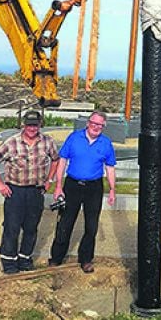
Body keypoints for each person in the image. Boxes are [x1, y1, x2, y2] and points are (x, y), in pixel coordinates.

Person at [0, 110, 59, 274]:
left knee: (31, 227)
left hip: (36, 191)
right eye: (29, 125)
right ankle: (9, 262)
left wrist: (49, 179)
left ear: (40, 125)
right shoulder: (12, 142)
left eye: (35, 125)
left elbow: (55, 159)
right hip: (15, 191)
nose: (32, 128)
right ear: (24, 125)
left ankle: (25, 259)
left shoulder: (47, 141)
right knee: (12, 227)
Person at [49, 111, 116, 273]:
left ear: (104, 126)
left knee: (91, 226)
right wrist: (58, 186)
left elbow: (110, 167)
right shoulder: (74, 138)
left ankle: (86, 259)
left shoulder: (106, 143)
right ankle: (56, 257)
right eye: (94, 123)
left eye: (100, 125)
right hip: (72, 185)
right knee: (65, 223)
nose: (96, 127)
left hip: (94, 187)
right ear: (88, 123)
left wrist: (112, 189)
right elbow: (62, 160)